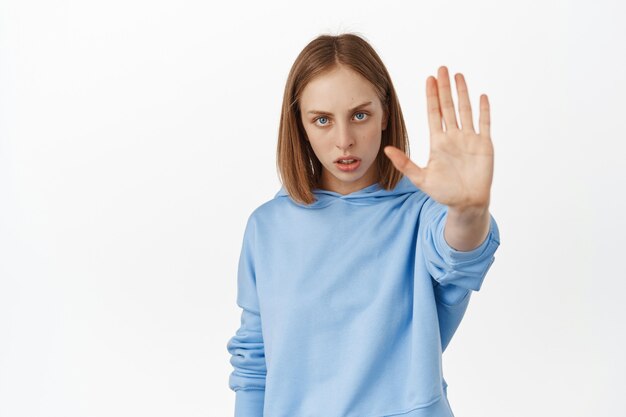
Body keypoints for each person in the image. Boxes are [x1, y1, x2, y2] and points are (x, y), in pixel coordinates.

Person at [225, 32, 501, 417]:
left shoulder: (422, 215)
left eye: (359, 115)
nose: (344, 141)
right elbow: (255, 364)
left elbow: (459, 251)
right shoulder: (267, 228)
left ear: (384, 113)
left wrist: (469, 210)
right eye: (322, 120)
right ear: (300, 125)